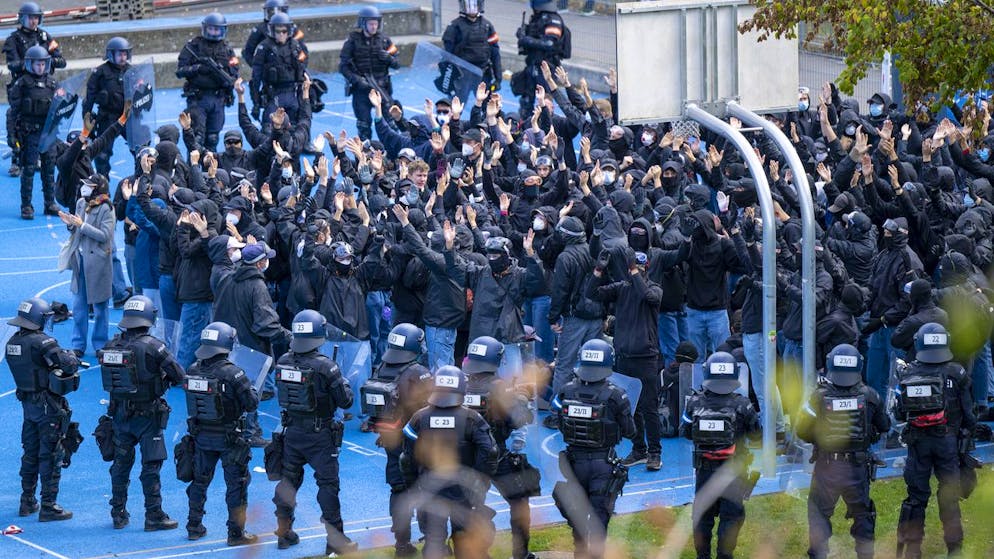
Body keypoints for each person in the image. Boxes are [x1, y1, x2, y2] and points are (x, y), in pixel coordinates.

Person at [271, 310, 357, 555]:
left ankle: (283, 533)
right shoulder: (327, 366)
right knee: (328, 486)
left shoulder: (283, 361)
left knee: (288, 482)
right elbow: (346, 401)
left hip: (292, 433)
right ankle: (336, 541)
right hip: (320, 436)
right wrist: (344, 382)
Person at [97, 295, 185, 530]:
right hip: (147, 416)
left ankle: (118, 513)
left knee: (120, 464)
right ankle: (153, 515)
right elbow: (179, 375)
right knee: (151, 466)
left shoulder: (111, 345)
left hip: (120, 415)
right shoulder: (154, 346)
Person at [796, 344, 890, 559]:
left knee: (819, 514)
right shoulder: (870, 396)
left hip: (827, 466)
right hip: (857, 468)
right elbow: (884, 425)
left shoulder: (818, 397)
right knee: (863, 515)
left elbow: (802, 431)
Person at [586, 247, 672, 470]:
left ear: (646, 268)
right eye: (634, 266)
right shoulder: (621, 288)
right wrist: (598, 270)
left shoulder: (655, 288)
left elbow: (647, 296)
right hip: (624, 357)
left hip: (646, 358)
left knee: (649, 408)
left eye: (640, 267)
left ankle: (655, 453)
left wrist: (633, 270)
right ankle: (639, 450)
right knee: (630, 407)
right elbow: (591, 293)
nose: (637, 271)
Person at [895, 323, 975, 559]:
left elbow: (899, 413)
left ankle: (912, 550)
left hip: (918, 443)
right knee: (949, 495)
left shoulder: (908, 373)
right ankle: (955, 549)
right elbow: (969, 416)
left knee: (916, 498)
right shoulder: (957, 373)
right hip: (947, 443)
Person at [402, 365, 498, 559]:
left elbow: (407, 459)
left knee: (433, 542)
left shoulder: (419, 417)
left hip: (430, 490)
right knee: (465, 541)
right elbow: (490, 452)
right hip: (463, 490)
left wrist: (414, 486)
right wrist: (479, 483)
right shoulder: (472, 418)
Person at [551, 338, 636, 559]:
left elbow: (557, 419)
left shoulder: (566, 390)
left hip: (573, 464)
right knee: (599, 523)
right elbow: (630, 431)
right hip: (602, 465)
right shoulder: (616, 395)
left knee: (578, 520)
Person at [182, 321, 258, 544]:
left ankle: (193, 526)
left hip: (202, 436)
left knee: (199, 482)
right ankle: (236, 534)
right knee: (237, 485)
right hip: (229, 438)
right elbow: (251, 403)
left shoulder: (193, 369)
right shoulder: (233, 373)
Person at [361, 323, 433, 557]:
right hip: (418, 442)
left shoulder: (381, 368)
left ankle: (402, 545)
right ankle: (433, 543)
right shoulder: (418, 372)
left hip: (391, 440)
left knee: (399, 490)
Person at [7, 297, 81, 521]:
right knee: (51, 454)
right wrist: (71, 355)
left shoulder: (13, 342)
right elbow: (68, 364)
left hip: (28, 405)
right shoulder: (43, 342)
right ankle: (49, 505)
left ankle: (27, 500)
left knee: (30, 453)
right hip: (48, 407)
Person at [681, 351, 760, 559]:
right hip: (733, 471)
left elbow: (685, 432)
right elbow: (757, 436)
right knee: (731, 517)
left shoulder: (694, 403)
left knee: (703, 517)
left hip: (704, 470)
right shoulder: (743, 404)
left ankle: (703, 556)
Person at [465, 336, 538, 559]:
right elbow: (520, 420)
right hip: (496, 456)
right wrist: (523, 396)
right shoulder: (500, 388)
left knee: (469, 507)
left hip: (465, 458)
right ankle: (520, 554)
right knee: (519, 502)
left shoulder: (458, 384)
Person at [211, 241, 291, 447]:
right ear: (259, 263)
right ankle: (250, 432)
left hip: (228, 346)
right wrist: (288, 336)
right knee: (250, 393)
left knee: (230, 392)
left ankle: (231, 429)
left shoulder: (227, 278)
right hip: (251, 349)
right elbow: (266, 324)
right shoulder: (257, 286)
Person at [4, 2, 66, 178]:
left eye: (36, 18)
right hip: (23, 86)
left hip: (44, 84)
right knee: (19, 121)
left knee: (44, 119)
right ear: (22, 19)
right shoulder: (14, 39)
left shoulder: (45, 37)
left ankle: (39, 155)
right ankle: (16, 159)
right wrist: (30, 64)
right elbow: (12, 64)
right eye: (30, 18)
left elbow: (61, 61)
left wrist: (46, 62)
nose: (33, 21)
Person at [59, 174, 115, 356]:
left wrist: (82, 225)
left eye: (89, 186)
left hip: (98, 263)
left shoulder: (107, 208)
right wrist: (71, 224)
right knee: (78, 307)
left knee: (100, 308)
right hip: (80, 260)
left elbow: (105, 235)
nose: (85, 188)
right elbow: (77, 229)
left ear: (98, 189)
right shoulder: (81, 203)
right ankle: (78, 344)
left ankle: (100, 344)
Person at [176, 12, 239, 152]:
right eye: (211, 29)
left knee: (212, 138)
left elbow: (234, 71)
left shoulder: (227, 50)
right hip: (198, 98)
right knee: (196, 138)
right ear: (205, 28)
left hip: (218, 98)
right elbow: (180, 71)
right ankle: (194, 164)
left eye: (217, 30)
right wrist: (197, 68)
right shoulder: (193, 46)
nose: (214, 33)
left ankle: (211, 164)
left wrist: (228, 81)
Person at [9, 45, 59, 219]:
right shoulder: (22, 84)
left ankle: (50, 203)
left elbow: (61, 107)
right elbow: (12, 112)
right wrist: (11, 135)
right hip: (29, 133)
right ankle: (26, 205)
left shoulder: (53, 83)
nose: (41, 67)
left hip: (48, 132)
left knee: (49, 168)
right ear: (30, 64)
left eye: (43, 64)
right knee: (29, 169)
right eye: (37, 64)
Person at [340, 5, 399, 140]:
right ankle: (364, 151)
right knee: (364, 125)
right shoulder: (352, 41)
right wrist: (356, 79)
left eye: (376, 23)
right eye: (371, 23)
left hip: (382, 89)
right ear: (363, 23)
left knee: (390, 124)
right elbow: (343, 67)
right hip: (361, 90)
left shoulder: (385, 40)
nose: (374, 27)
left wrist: (389, 58)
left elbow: (397, 63)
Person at [512, 0, 570, 120]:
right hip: (532, 63)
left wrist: (526, 40)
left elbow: (549, 43)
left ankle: (546, 125)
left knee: (545, 100)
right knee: (526, 99)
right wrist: (523, 34)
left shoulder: (553, 20)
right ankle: (525, 124)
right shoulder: (537, 18)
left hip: (546, 67)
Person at [83, 37, 131, 178]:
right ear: (111, 55)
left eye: (125, 54)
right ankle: (102, 183)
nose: (123, 58)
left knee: (141, 149)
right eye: (119, 54)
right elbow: (89, 99)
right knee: (102, 154)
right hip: (108, 118)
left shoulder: (132, 71)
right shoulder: (100, 73)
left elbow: (142, 94)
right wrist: (87, 122)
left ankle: (142, 180)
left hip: (128, 117)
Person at [249, 11, 308, 123]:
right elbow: (255, 77)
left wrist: (305, 97)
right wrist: (255, 103)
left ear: (288, 31)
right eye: (278, 31)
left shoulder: (295, 46)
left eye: (284, 31)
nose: (281, 34)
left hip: (293, 93)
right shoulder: (264, 47)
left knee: (297, 126)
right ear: (272, 31)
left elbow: (303, 68)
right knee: (270, 126)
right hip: (273, 94)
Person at [442, 0, 502, 91]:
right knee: (458, 100)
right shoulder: (454, 26)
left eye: (475, 4)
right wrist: (446, 77)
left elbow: (495, 54)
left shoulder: (487, 26)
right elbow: (447, 54)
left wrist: (498, 78)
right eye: (468, 5)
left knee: (484, 99)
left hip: (482, 72)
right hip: (461, 74)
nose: (472, 8)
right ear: (463, 5)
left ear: (480, 5)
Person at [242, 0, 290, 67]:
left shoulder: (291, 27)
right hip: (269, 66)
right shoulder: (260, 29)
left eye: (284, 31)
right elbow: (248, 52)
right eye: (272, 12)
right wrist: (257, 67)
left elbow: (300, 49)